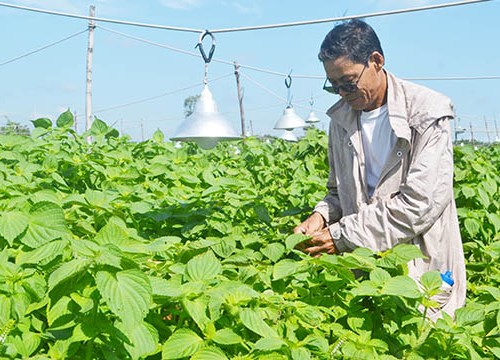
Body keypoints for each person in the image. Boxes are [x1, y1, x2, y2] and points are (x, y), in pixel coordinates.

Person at [294, 19, 466, 320]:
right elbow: (338, 190)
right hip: (364, 267)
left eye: (348, 82)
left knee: (420, 339)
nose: (342, 93)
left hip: (419, 266)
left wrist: (342, 236)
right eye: (332, 86)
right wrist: (321, 215)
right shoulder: (341, 120)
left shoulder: (427, 113)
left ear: (376, 61)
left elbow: (420, 205)